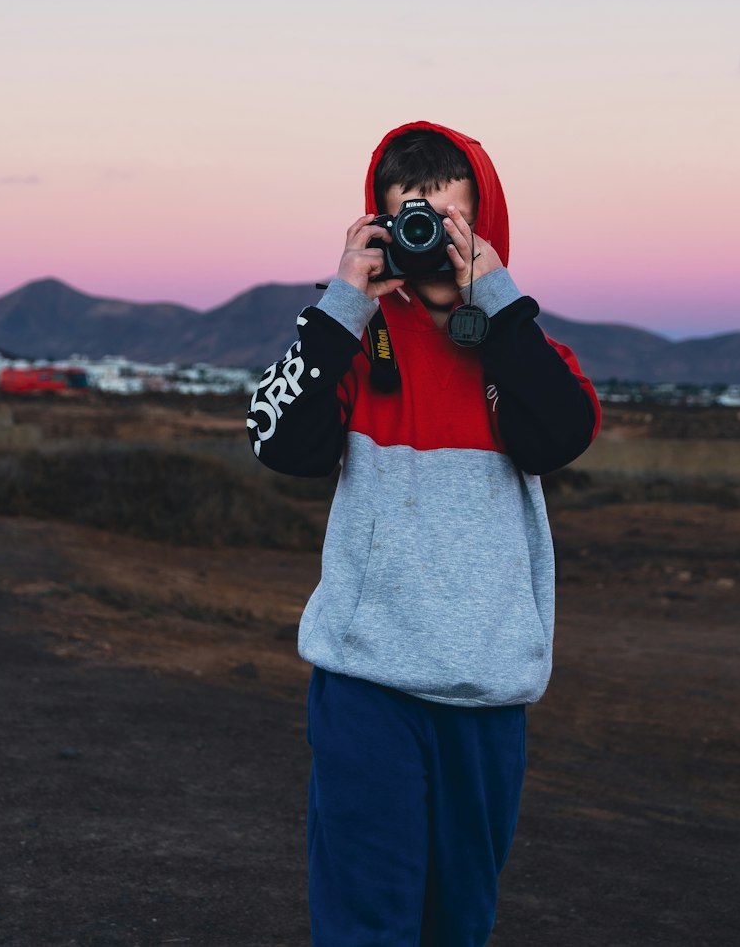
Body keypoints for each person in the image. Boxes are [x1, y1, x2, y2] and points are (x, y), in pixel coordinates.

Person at [248, 120, 601, 947]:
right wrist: (343, 301)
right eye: (411, 220)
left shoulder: (522, 348)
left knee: (459, 924)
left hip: (486, 689)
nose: (428, 241)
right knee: (367, 923)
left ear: (485, 228)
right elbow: (278, 440)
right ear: (377, 223)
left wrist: (496, 305)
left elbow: (561, 433)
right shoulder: (356, 344)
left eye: (447, 222)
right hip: (368, 681)